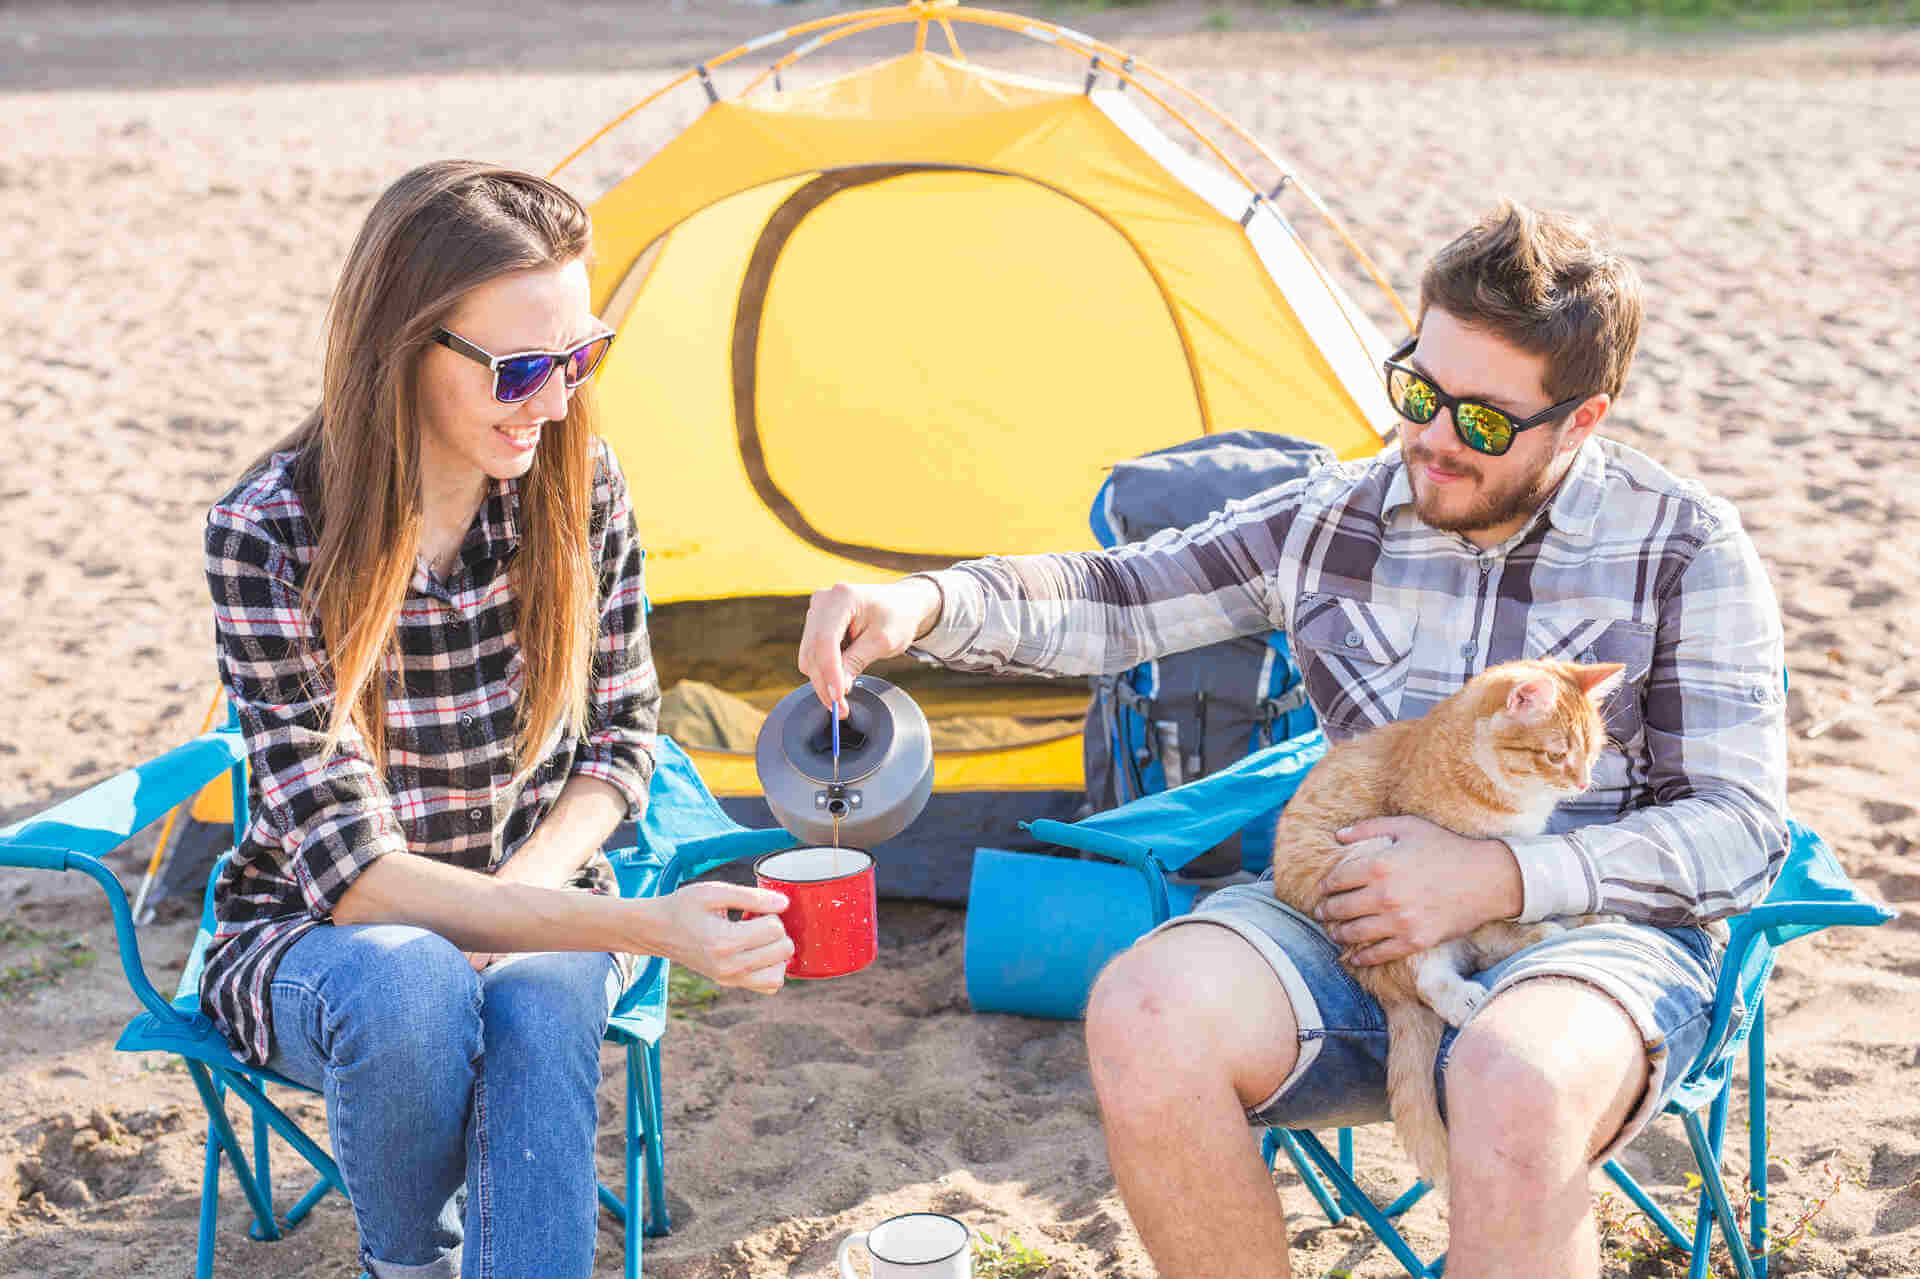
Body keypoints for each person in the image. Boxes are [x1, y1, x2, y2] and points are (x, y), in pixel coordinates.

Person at [796, 202, 1787, 1278]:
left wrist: (1499, 875)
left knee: (1516, 1078)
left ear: (1582, 420)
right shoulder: (1337, 514)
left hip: (1595, 937)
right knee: (1144, 1010)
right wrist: (927, 604)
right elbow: (1121, 595)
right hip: (1348, 910)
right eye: (1419, 389)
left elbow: (1740, 830)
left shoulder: (1684, 544)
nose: (1434, 438)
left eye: (1486, 422)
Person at [202, 160, 795, 1279]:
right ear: (402, 346)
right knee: (408, 975)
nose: (560, 400)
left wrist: (517, 908)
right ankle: (412, 1264)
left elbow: (622, 737)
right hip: (314, 943)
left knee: (545, 980)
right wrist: (653, 927)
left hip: (540, 893)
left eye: (580, 356)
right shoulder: (269, 531)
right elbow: (356, 880)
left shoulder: (579, 485)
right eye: (522, 368)